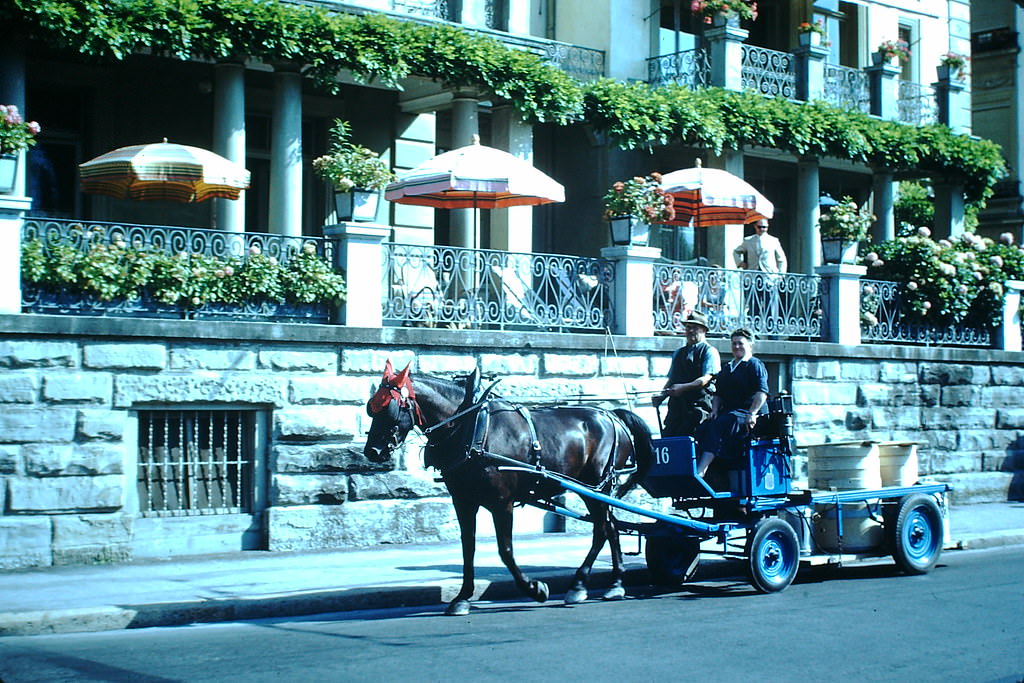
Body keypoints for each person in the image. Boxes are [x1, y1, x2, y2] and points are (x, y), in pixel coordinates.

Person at [695, 327, 768, 478]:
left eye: (740, 343)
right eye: (734, 343)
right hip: (731, 412)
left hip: (749, 413)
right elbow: (718, 394)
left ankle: (702, 470)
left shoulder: (754, 364)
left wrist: (752, 413)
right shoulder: (727, 368)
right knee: (703, 427)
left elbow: (762, 392)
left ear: (749, 345)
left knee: (721, 424)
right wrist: (714, 410)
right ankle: (713, 476)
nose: (737, 347)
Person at [652, 310, 721, 437]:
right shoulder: (678, 353)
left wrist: (682, 388)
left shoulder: (710, 352)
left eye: (695, 328)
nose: (690, 331)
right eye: (688, 327)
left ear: (704, 330)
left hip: (698, 406)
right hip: (676, 408)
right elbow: (672, 380)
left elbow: (705, 379)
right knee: (669, 438)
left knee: (689, 438)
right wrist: (661, 396)